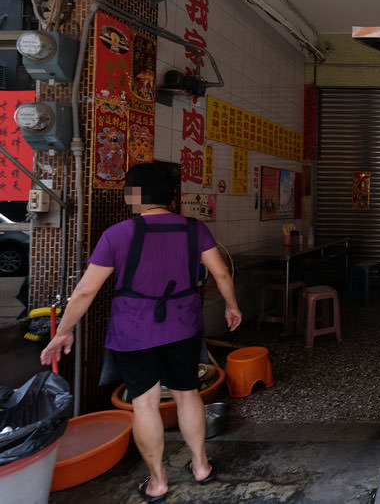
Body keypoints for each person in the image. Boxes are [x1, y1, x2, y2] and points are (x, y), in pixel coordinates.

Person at [40, 162, 242, 502]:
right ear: (171, 197)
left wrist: (63, 331)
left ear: (134, 196)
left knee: (146, 405)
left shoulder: (118, 234)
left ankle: (158, 482)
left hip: (134, 331)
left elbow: (86, 291)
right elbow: (221, 272)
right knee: (187, 394)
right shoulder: (195, 229)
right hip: (183, 326)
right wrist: (232, 305)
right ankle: (202, 466)